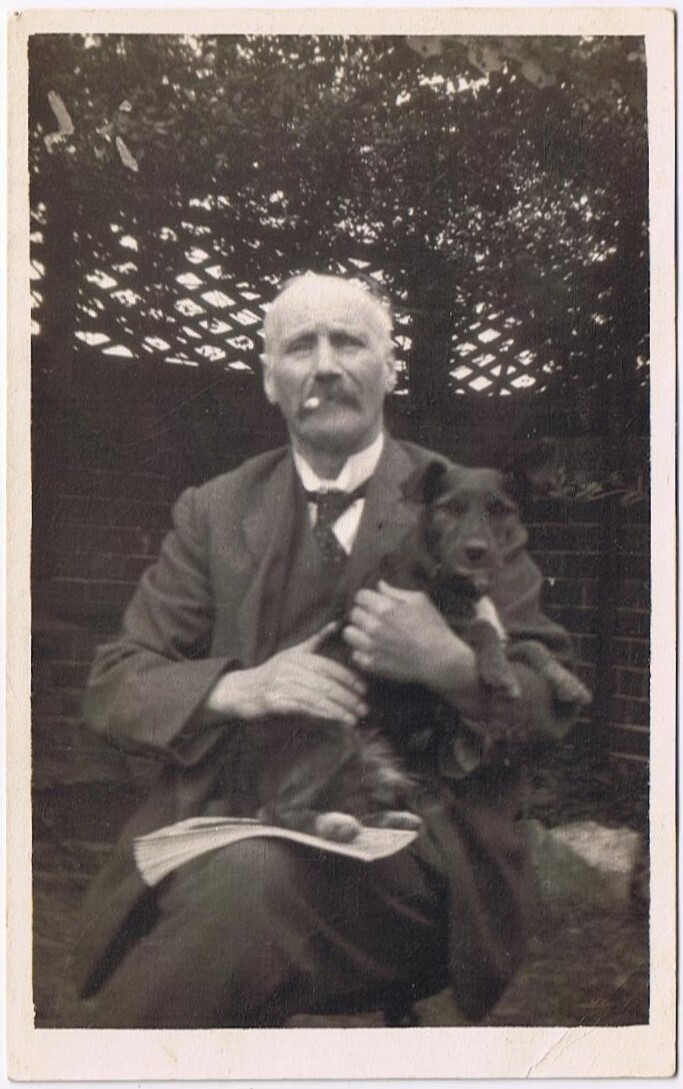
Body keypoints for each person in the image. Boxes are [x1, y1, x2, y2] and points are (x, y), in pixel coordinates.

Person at [69, 273, 581, 1028]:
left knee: (244, 893)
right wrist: (243, 687)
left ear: (389, 368)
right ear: (271, 380)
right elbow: (115, 684)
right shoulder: (214, 511)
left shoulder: (470, 505)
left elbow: (546, 711)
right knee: (228, 897)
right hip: (232, 815)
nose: (326, 365)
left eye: (349, 341)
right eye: (300, 346)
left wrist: (443, 661)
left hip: (413, 846)